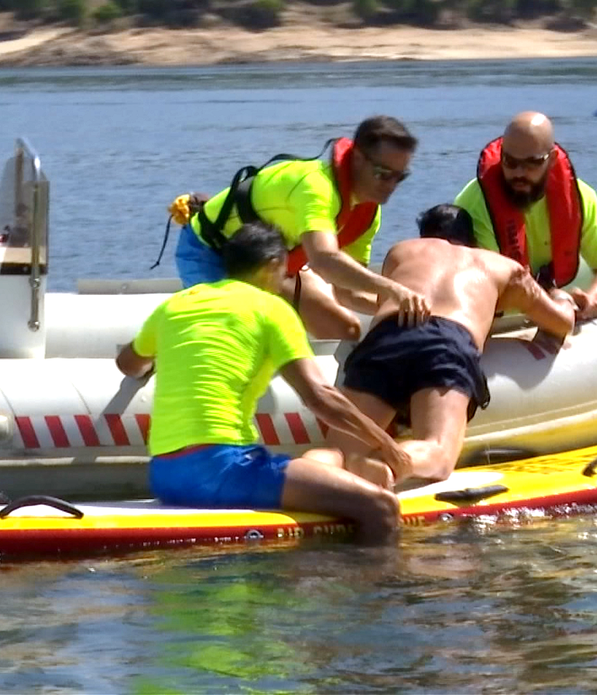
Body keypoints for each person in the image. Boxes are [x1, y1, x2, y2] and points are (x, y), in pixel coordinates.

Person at [116, 222, 410, 544]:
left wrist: (154, 362)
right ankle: (367, 591)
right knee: (380, 507)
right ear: (273, 264)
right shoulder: (272, 310)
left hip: (165, 476)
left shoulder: (175, 305)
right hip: (223, 469)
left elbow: (128, 363)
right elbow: (320, 397)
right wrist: (386, 443)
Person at [320, 204, 576, 485]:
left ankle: (312, 469)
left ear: (423, 237)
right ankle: (391, 463)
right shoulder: (503, 267)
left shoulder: (402, 251)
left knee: (338, 450)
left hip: (388, 334)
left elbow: (385, 304)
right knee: (438, 449)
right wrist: (563, 299)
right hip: (447, 340)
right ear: (473, 241)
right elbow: (560, 323)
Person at [174, 115, 431, 341]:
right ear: (358, 159)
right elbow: (323, 259)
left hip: (271, 266)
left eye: (400, 176)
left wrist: (403, 309)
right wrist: (393, 289)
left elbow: (347, 292)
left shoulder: (367, 213)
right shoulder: (316, 188)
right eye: (383, 173)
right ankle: (149, 355)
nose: (391, 184)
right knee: (246, 337)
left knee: (347, 330)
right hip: (211, 252)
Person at [450, 111, 597, 322]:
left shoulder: (580, 197)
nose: (519, 173)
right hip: (495, 323)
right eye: (510, 162)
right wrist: (558, 301)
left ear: (551, 160)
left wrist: (591, 298)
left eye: (532, 163)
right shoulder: (474, 203)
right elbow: (486, 288)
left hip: (549, 311)